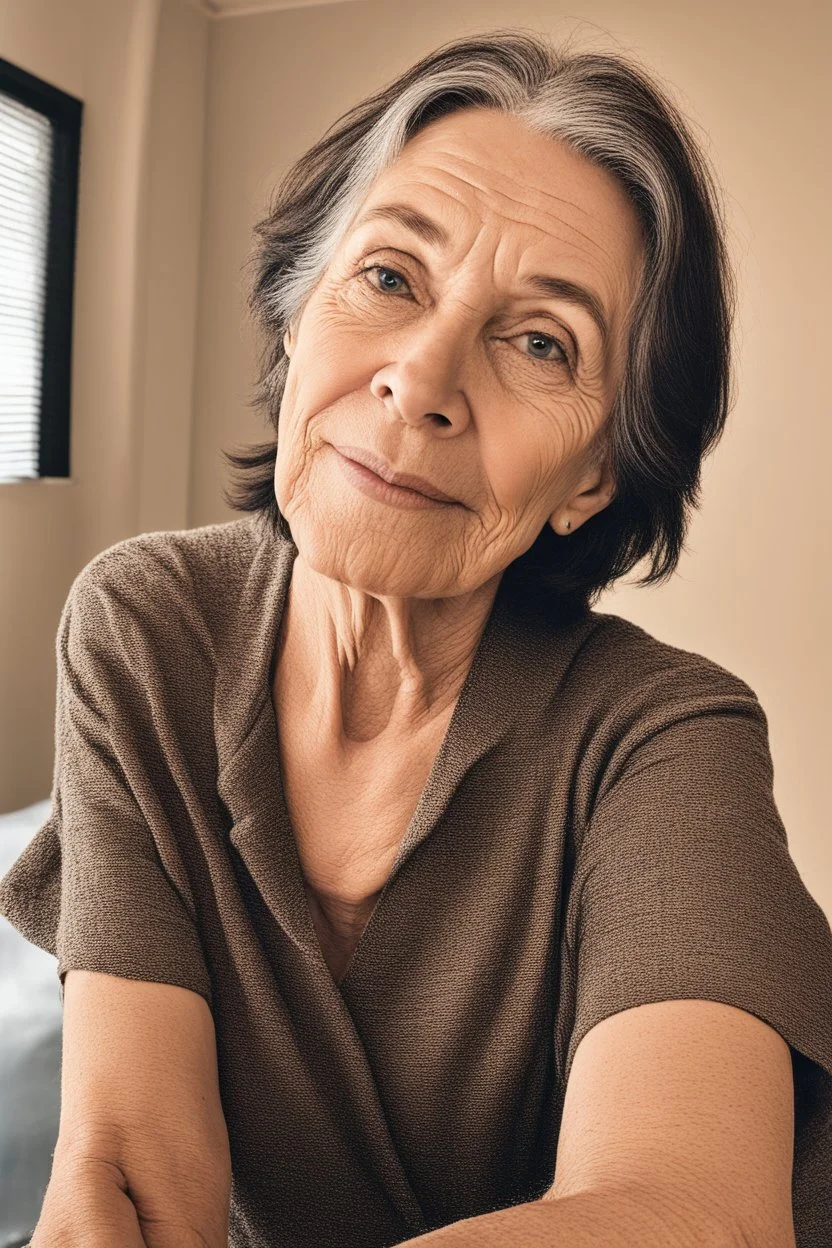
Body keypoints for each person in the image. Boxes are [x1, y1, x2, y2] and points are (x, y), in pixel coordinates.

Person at [1, 26, 830, 1248]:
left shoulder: (665, 737)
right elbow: (128, 1168)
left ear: (593, 476)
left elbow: (690, 1214)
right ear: (294, 320)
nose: (423, 379)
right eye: (388, 277)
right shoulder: (143, 627)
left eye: (541, 342)